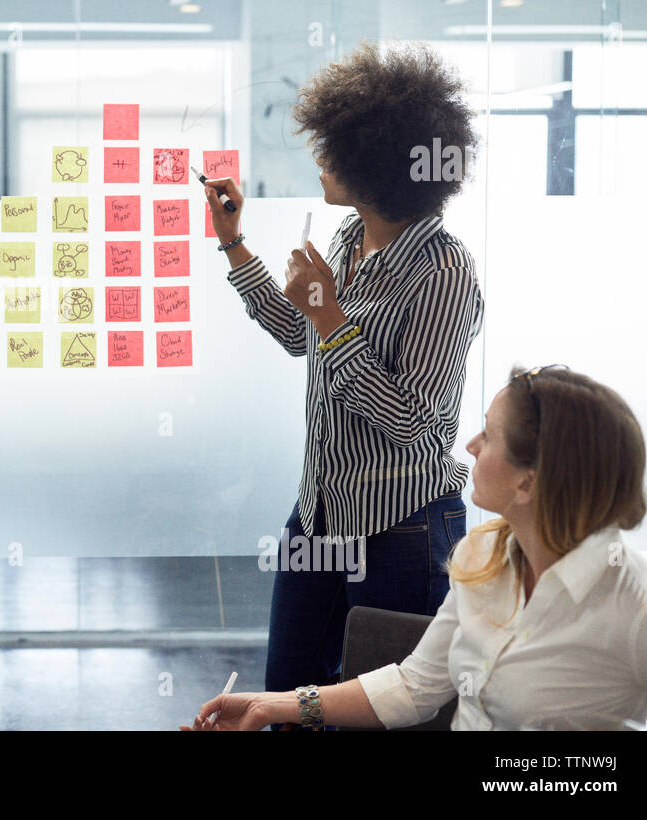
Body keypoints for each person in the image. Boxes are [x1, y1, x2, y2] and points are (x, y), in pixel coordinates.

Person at [202, 42, 483, 711]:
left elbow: (415, 420)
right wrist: (233, 239)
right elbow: (302, 337)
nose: (319, 160)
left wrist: (329, 316)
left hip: (403, 532)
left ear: (374, 163)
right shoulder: (347, 240)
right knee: (284, 702)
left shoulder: (445, 274)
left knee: (390, 713)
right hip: (319, 514)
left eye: (332, 148)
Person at [186, 367, 647, 730]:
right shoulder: (480, 557)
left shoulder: (642, 609)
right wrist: (270, 705)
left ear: (529, 482)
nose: (472, 445)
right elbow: (417, 685)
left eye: (489, 434)